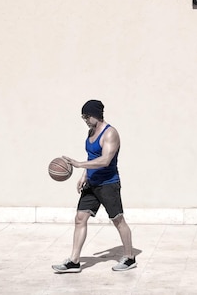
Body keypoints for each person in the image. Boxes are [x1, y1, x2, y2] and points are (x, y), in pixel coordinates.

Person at [52, 100, 136, 273]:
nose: (85, 119)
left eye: (86, 116)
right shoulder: (91, 131)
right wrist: (84, 176)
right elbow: (92, 156)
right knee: (79, 219)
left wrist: (78, 165)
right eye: (83, 116)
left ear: (96, 114)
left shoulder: (110, 133)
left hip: (108, 184)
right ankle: (74, 261)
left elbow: (105, 160)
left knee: (118, 220)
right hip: (92, 183)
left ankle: (129, 257)